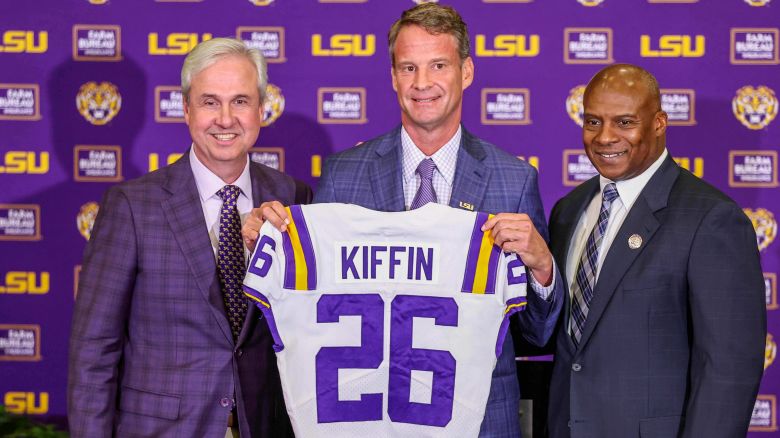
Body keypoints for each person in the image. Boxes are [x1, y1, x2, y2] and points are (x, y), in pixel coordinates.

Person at [242, 4, 563, 437]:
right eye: (408, 67)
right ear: (393, 77)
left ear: (466, 72)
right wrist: (267, 248)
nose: (422, 83)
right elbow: (312, 306)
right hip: (366, 419)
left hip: (480, 421)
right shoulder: (345, 172)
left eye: (438, 65)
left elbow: (537, 334)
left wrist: (542, 267)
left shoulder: (513, 179)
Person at [68, 38, 312, 437]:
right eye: (210, 102)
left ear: (261, 108)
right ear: (185, 109)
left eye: (240, 101)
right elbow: (93, 353)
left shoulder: (293, 198)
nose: (226, 119)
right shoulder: (132, 206)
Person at [546, 63, 765, 437]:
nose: (605, 137)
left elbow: (728, 369)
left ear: (659, 123)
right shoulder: (569, 210)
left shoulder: (711, 219)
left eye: (625, 122)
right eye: (593, 122)